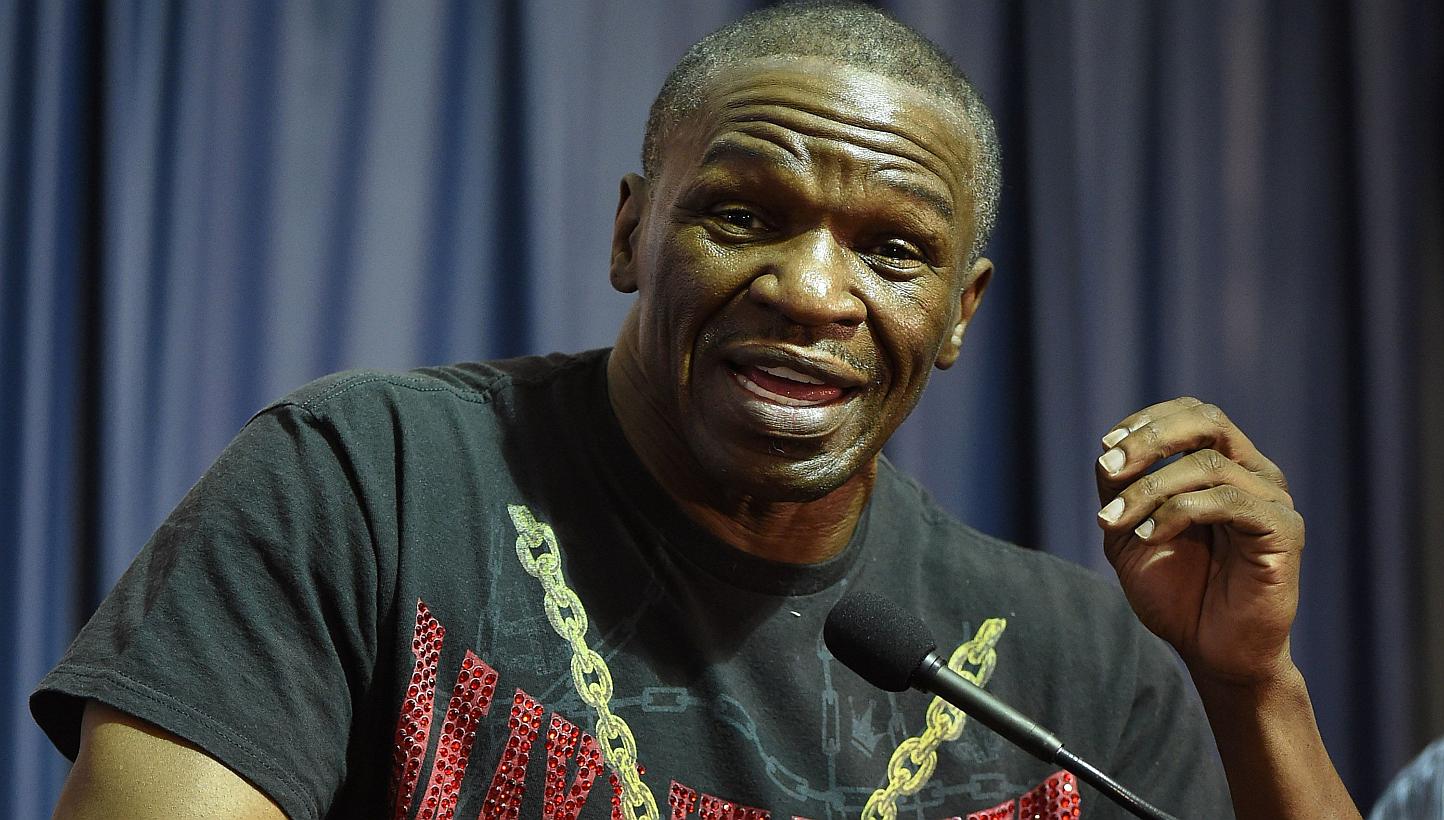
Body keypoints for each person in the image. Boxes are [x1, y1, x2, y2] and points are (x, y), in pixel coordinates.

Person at [34, 3, 1360, 818]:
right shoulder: (364, 481)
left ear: (961, 312)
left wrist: (1254, 691)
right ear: (632, 232)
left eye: (893, 251)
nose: (812, 291)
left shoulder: (1080, 672)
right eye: (743, 216)